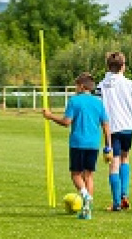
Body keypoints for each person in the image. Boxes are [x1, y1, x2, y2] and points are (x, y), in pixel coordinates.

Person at [43, 72, 110, 220]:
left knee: (75, 174)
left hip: (78, 143)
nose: (75, 88)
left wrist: (50, 116)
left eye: (76, 85)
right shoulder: (99, 102)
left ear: (81, 86)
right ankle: (88, 209)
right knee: (89, 175)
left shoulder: (74, 101)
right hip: (93, 144)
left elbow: (66, 122)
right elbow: (106, 125)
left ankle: (85, 195)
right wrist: (108, 146)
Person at [96, 51, 132, 211]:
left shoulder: (101, 85)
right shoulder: (131, 84)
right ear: (123, 66)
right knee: (125, 158)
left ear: (108, 67)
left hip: (112, 129)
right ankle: (124, 194)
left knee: (113, 164)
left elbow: (98, 109)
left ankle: (116, 202)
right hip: (128, 128)